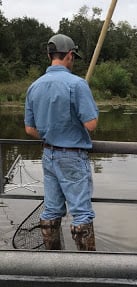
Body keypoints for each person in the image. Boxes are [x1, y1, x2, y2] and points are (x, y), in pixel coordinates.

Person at [24, 34, 99, 251]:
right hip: (73, 157)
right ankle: (88, 268)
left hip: (48, 154)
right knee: (81, 213)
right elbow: (91, 124)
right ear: (70, 56)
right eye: (73, 56)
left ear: (49, 55)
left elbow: (30, 129)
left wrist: (52, 134)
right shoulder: (77, 84)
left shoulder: (34, 86)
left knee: (51, 210)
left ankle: (54, 263)